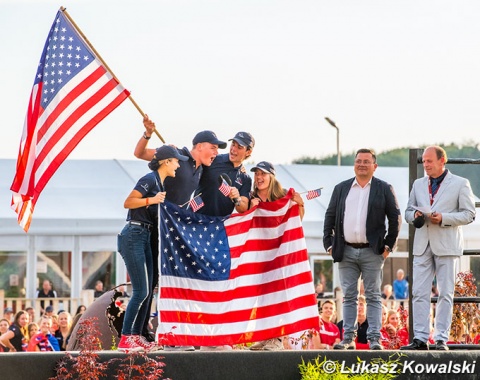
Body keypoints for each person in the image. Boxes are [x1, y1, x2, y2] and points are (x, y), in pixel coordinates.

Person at [134, 116, 226, 345]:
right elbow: (140, 154)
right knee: (150, 281)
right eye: (213, 148)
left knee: (168, 280)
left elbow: (227, 163)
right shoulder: (178, 157)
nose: (215, 153)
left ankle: (170, 332)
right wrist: (147, 134)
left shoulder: (202, 169)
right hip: (153, 226)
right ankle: (138, 332)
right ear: (199, 146)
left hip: (172, 233)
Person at [323, 148, 401, 350]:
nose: (362, 164)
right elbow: (330, 216)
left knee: (374, 296)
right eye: (359, 161)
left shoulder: (384, 188)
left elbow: (395, 219)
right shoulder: (341, 188)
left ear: (375, 166)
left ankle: (374, 339)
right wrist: (328, 244)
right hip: (345, 250)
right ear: (354, 164)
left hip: (372, 251)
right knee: (349, 296)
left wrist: (388, 246)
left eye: (367, 161)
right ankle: (348, 338)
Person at [401, 146, 476, 351]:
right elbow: (408, 211)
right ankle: (420, 339)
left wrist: (444, 218)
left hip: (447, 245)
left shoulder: (461, 183)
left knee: (445, 293)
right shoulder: (418, 184)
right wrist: (414, 217)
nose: (425, 165)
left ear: (442, 160)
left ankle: (441, 338)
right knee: (418, 292)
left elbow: (469, 214)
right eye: (424, 161)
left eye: (429, 161)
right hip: (422, 244)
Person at [117, 144, 188, 353]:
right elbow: (128, 202)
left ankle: (136, 336)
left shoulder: (160, 183)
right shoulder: (150, 180)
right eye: (176, 161)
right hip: (134, 235)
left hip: (144, 235)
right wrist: (152, 199)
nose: (178, 166)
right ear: (166, 162)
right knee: (141, 291)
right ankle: (126, 339)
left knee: (147, 292)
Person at [248, 161, 306, 351]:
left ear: (272, 177)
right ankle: (265, 337)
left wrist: (300, 204)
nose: (259, 178)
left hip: (280, 255)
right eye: (256, 174)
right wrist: (250, 207)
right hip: (261, 256)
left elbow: (296, 221)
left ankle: (278, 339)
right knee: (263, 298)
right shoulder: (251, 198)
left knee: (278, 297)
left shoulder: (282, 198)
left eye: (262, 174)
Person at [196, 131, 255, 216]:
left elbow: (243, 208)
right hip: (195, 219)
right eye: (233, 144)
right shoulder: (214, 159)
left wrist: (237, 199)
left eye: (239, 147)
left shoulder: (245, 178)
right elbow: (193, 162)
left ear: (248, 152)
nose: (233, 149)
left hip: (220, 225)